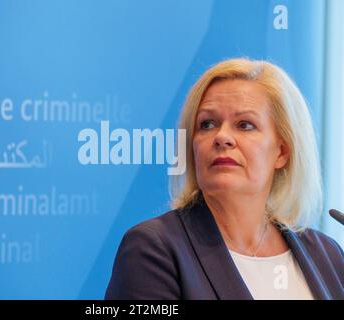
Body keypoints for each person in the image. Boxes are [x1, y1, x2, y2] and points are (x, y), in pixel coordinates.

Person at [105, 58, 344, 300]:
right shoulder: (153, 248)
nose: (222, 137)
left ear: (281, 152)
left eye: (244, 125)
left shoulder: (327, 255)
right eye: (207, 124)